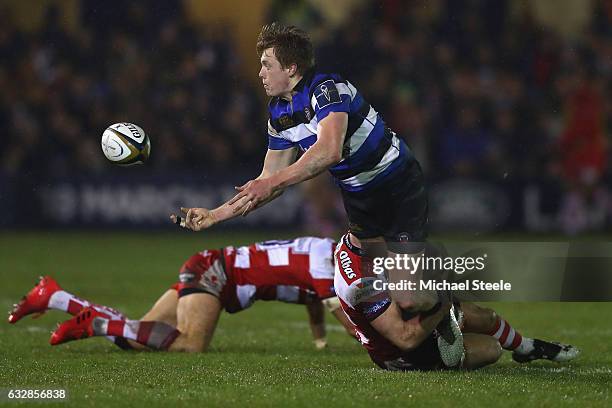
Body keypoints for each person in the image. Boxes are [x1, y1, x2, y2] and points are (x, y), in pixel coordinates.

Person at [174, 22, 434, 321]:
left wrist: (271, 182)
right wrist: (215, 215)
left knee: (411, 300)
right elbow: (267, 181)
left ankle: (452, 310)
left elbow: (329, 150)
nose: (260, 73)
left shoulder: (326, 88)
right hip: (359, 197)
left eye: (267, 65)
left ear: (291, 68)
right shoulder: (279, 113)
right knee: (372, 291)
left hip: (397, 186)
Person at [8, 237, 355, 351]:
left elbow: (315, 301)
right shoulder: (325, 263)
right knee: (189, 344)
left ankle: (53, 296)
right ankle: (98, 325)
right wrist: (372, 338)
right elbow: (339, 307)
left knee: (138, 336)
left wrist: (320, 342)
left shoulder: (320, 249)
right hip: (215, 275)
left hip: (210, 266)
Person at [333, 233, 580, 371]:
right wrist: (440, 308)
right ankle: (440, 354)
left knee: (486, 316)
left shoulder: (366, 244)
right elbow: (404, 338)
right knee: (490, 348)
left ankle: (527, 348)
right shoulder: (360, 283)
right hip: (398, 352)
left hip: (409, 315)